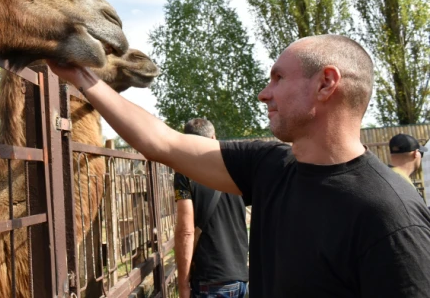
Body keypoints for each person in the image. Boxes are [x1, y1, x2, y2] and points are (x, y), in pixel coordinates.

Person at [48, 34, 430, 297]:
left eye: (278, 78)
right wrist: (83, 78)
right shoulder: (271, 166)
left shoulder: (391, 216)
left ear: (327, 84)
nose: (265, 93)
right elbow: (162, 142)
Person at [174, 118, 247, 298]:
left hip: (210, 281)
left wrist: (183, 285)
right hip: (240, 278)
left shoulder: (185, 173)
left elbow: (186, 231)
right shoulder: (238, 168)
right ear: (214, 137)